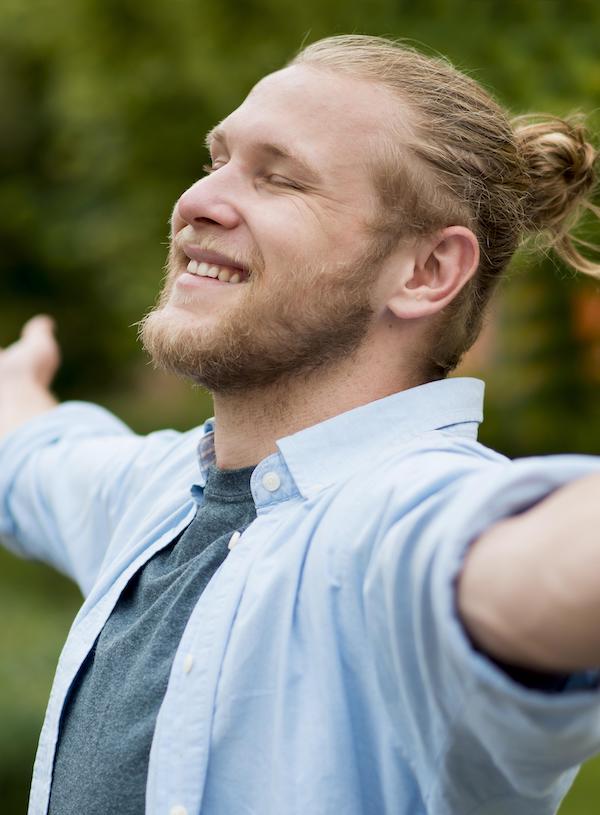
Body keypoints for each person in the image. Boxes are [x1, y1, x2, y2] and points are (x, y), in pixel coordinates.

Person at [2, 33, 600, 815]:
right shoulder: (153, 499)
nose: (199, 202)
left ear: (426, 272)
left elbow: (534, 566)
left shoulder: (403, 527)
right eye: (215, 160)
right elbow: (30, 449)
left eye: (279, 179)